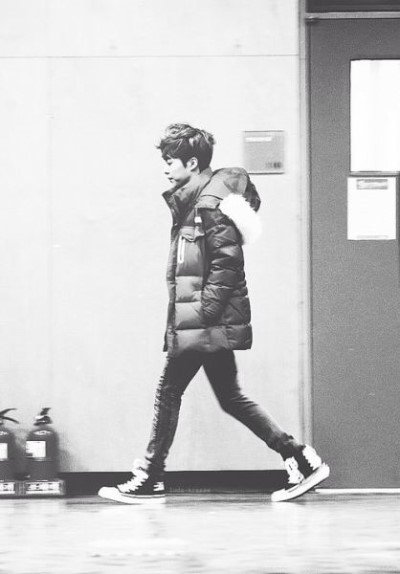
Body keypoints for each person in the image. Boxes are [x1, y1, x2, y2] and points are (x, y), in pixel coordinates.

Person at [98, 123, 329, 504]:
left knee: (169, 392)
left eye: (170, 160)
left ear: (192, 162)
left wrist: (204, 313)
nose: (165, 167)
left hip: (203, 323)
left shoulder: (208, 205)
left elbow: (227, 263)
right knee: (229, 397)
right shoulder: (195, 201)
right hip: (203, 322)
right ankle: (300, 458)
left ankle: (151, 476)